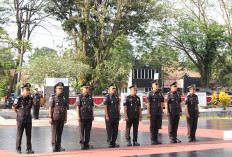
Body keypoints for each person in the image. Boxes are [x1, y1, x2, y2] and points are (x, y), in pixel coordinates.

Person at [12, 83, 34, 154]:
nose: (28, 91)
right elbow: (14, 107)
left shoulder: (30, 98)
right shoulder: (19, 98)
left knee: (29, 134)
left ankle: (29, 148)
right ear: (23, 90)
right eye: (27, 90)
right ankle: (18, 148)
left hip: (28, 118)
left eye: (29, 90)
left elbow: (30, 107)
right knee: (20, 134)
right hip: (21, 119)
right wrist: (18, 113)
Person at [49, 82, 67, 152]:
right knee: (54, 132)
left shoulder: (63, 97)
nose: (61, 90)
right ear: (55, 89)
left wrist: (66, 117)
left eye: (61, 89)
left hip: (61, 117)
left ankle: (58, 145)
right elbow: (50, 107)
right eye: (59, 88)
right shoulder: (53, 97)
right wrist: (50, 117)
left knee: (60, 132)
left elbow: (65, 108)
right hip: (55, 117)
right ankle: (54, 145)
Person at [75, 82, 94, 149]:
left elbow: (92, 106)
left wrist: (92, 114)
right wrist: (78, 116)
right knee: (81, 130)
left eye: (87, 88)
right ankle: (82, 143)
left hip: (89, 116)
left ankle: (87, 143)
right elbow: (77, 106)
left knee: (88, 130)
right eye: (85, 88)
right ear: (82, 89)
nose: (87, 89)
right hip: (82, 116)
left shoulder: (90, 96)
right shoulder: (80, 97)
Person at [147, 79, 164, 145]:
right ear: (152, 85)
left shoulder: (160, 93)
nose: (157, 86)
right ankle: (152, 139)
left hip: (158, 112)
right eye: (155, 84)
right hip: (153, 112)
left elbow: (162, 102)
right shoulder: (150, 94)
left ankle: (156, 138)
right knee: (152, 126)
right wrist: (148, 112)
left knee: (157, 126)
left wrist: (162, 112)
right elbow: (148, 103)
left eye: (157, 84)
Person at [103, 83, 121, 148]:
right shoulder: (107, 97)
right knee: (109, 129)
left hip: (115, 115)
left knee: (115, 129)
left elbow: (118, 106)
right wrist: (107, 115)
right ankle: (109, 141)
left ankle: (113, 141)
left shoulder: (116, 97)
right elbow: (105, 106)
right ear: (109, 89)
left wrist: (119, 115)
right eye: (112, 88)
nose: (114, 90)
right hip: (109, 115)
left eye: (114, 88)